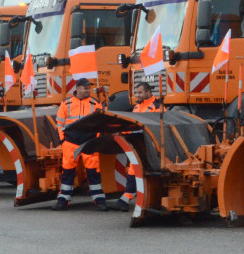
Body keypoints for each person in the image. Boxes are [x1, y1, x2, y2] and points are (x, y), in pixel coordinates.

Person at [53, 78, 106, 211]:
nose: (88, 90)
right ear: (77, 88)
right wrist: (62, 140)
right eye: (85, 88)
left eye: (89, 88)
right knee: (68, 172)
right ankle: (63, 200)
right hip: (70, 141)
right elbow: (59, 122)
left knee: (93, 172)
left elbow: (101, 123)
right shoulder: (66, 103)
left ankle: (99, 200)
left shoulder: (96, 103)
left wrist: (97, 139)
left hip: (89, 141)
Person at [115, 82, 165, 211]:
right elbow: (131, 124)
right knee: (133, 169)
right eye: (137, 92)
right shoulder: (137, 107)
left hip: (150, 144)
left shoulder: (157, 107)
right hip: (138, 143)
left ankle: (127, 199)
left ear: (148, 92)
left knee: (140, 170)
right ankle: (126, 199)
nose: (138, 95)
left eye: (140, 92)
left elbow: (160, 126)